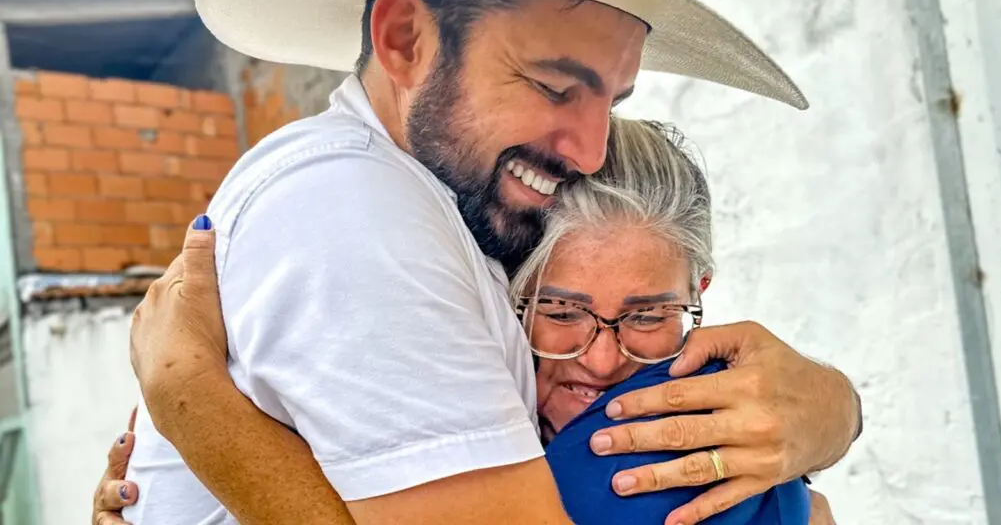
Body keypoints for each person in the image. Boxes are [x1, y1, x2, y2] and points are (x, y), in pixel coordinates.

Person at [92, 0, 862, 523]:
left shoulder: (460, 212)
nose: (589, 150)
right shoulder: (359, 213)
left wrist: (830, 411)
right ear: (404, 39)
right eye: (555, 86)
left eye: (611, 98)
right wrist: (190, 402)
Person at [98, 118, 832, 524]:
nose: (602, 361)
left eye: (647, 315)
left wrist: (191, 401)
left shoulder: (652, 444)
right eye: (560, 310)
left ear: (698, 292)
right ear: (491, 292)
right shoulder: (423, 393)